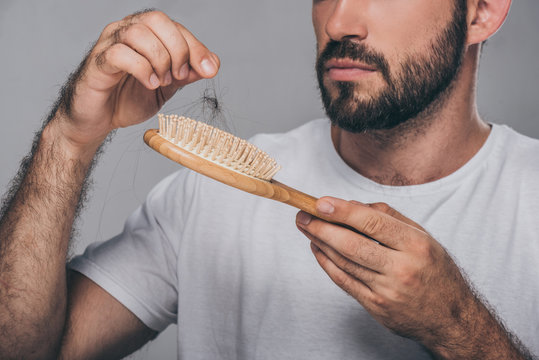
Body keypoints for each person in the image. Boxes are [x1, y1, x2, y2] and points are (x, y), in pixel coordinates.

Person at [0, 0, 537, 359]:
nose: (338, 21)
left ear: (482, 11)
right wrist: (68, 142)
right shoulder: (208, 194)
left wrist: (459, 326)